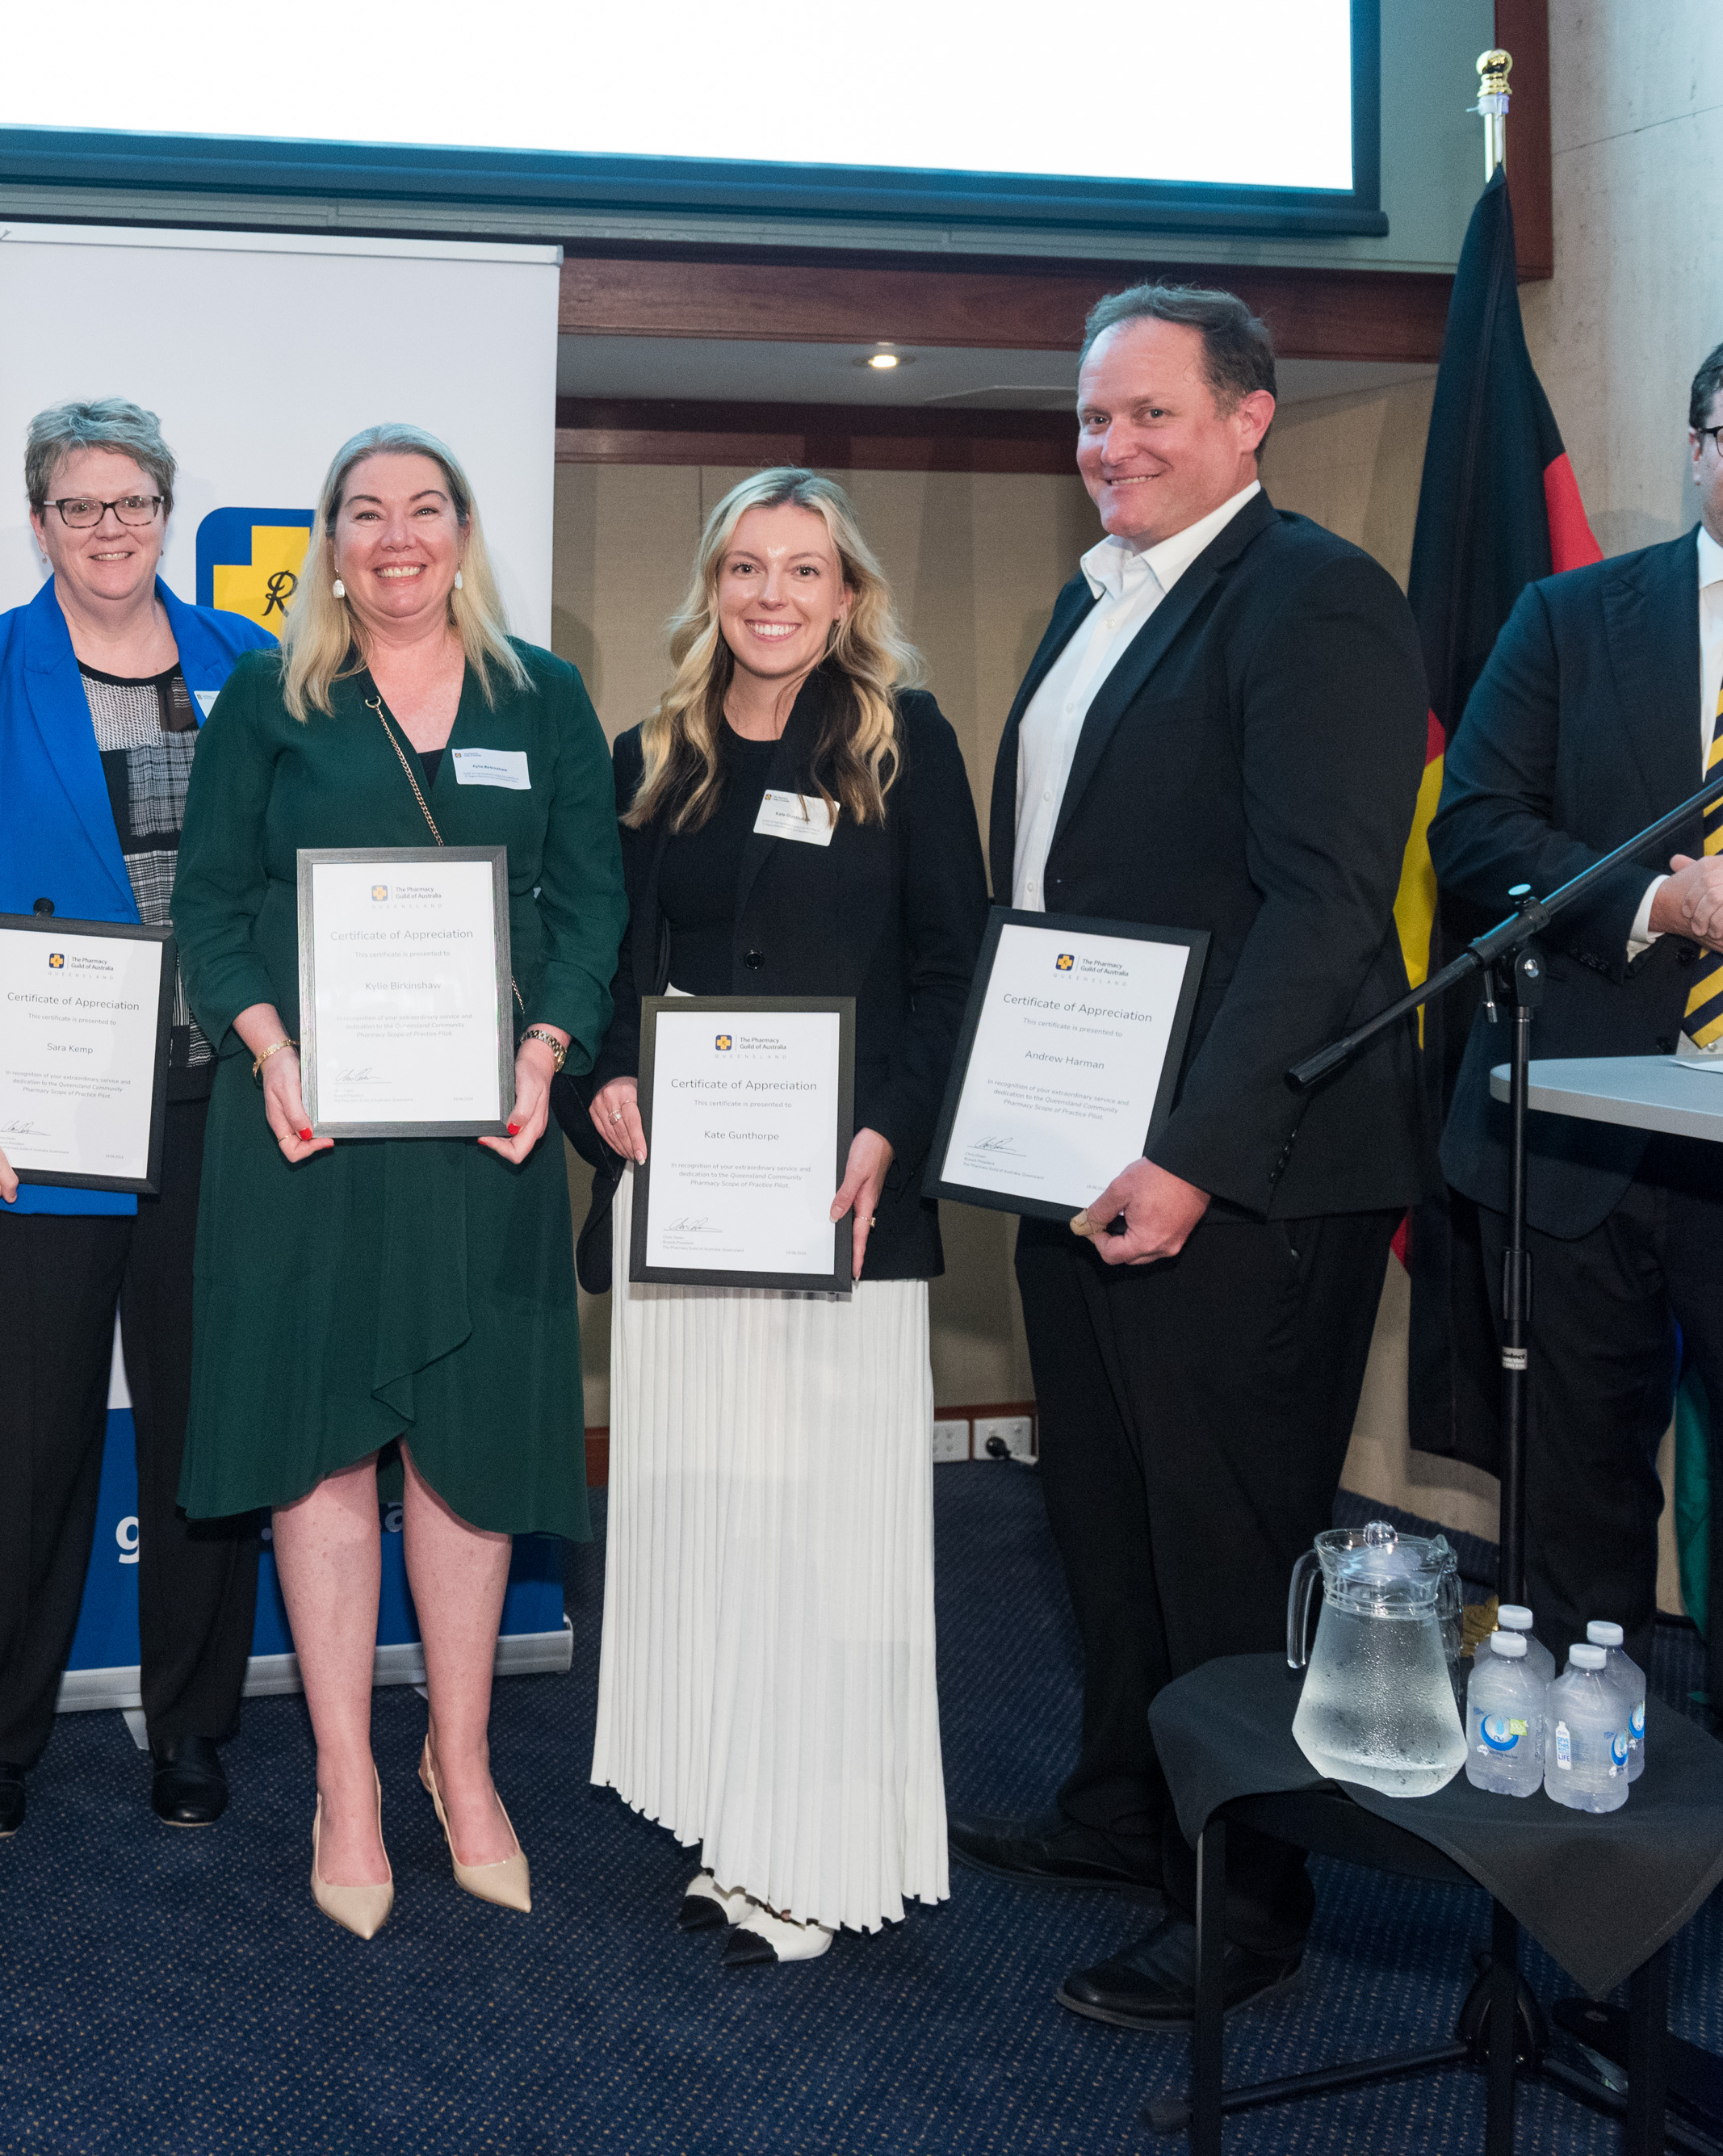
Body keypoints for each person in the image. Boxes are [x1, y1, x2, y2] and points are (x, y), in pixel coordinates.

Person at [946, 287, 1429, 2028]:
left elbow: (1319, 914)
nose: (1111, 448)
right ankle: (1118, 1806)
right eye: (1090, 420)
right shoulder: (1091, 603)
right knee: (1102, 1511)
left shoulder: (1315, 600)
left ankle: (1249, 1897)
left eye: (1148, 413)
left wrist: (1196, 1157)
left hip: (1247, 1177)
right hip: (1078, 1153)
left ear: (1248, 418)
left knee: (1225, 1542)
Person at [173, 423, 623, 1940]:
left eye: (424, 509)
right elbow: (211, 913)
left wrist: (549, 1047)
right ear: (331, 542)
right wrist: (269, 1049)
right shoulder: (267, 700)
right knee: (318, 1453)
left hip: (483, 1132)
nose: (396, 537)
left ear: (463, 531)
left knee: (472, 1452)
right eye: (365, 514)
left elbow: (588, 903)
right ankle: (349, 1777)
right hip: (305, 1135)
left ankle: (465, 1760)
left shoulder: (540, 696)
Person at [582, 469, 984, 1967]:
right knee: (709, 1508)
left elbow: (953, 967)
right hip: (684, 1207)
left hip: (840, 1208)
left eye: (802, 571)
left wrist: (892, 1125)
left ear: (847, 595)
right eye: (745, 567)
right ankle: (730, 1813)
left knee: (824, 1528)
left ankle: (816, 1851)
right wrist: (607, 1081)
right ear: (712, 586)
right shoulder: (653, 752)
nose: (770, 596)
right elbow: (607, 959)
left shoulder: (905, 744)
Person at [0, 398, 272, 1839]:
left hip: (213, 1114)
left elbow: (280, 896)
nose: (108, 531)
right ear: (37, 519)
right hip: (31, 1124)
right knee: (28, 1441)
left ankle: (192, 1726)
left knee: (200, 1435)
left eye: (132, 505)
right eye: (78, 505)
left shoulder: (252, 665)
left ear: (166, 513)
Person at [1430, 340, 1723, 1659]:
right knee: (1574, 1532)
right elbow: (1479, 830)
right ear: (1699, 446)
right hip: (1584, 1143)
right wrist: (1665, 904)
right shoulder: (1571, 619)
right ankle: (1570, 1846)